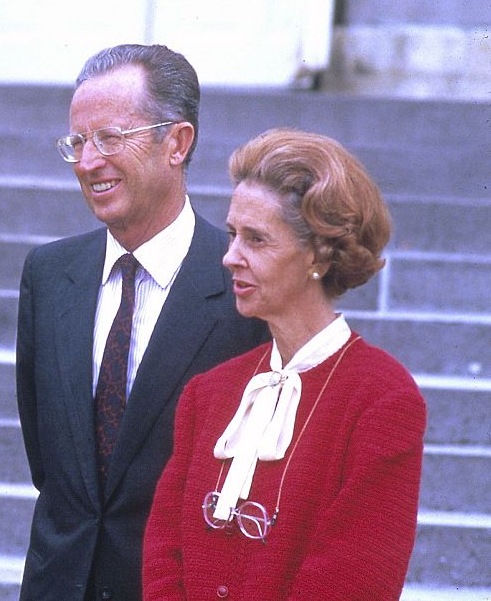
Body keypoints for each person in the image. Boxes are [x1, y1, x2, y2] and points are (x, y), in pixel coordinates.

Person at [16, 44, 269, 600]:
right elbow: (54, 469)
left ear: (176, 143)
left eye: (110, 138)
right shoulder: (50, 274)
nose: (88, 162)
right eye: (78, 142)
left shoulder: (243, 284)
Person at [143, 128, 426, 600]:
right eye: (233, 235)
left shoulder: (382, 398)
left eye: (256, 240)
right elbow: (163, 551)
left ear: (318, 253)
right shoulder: (208, 393)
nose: (230, 257)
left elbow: (354, 580)